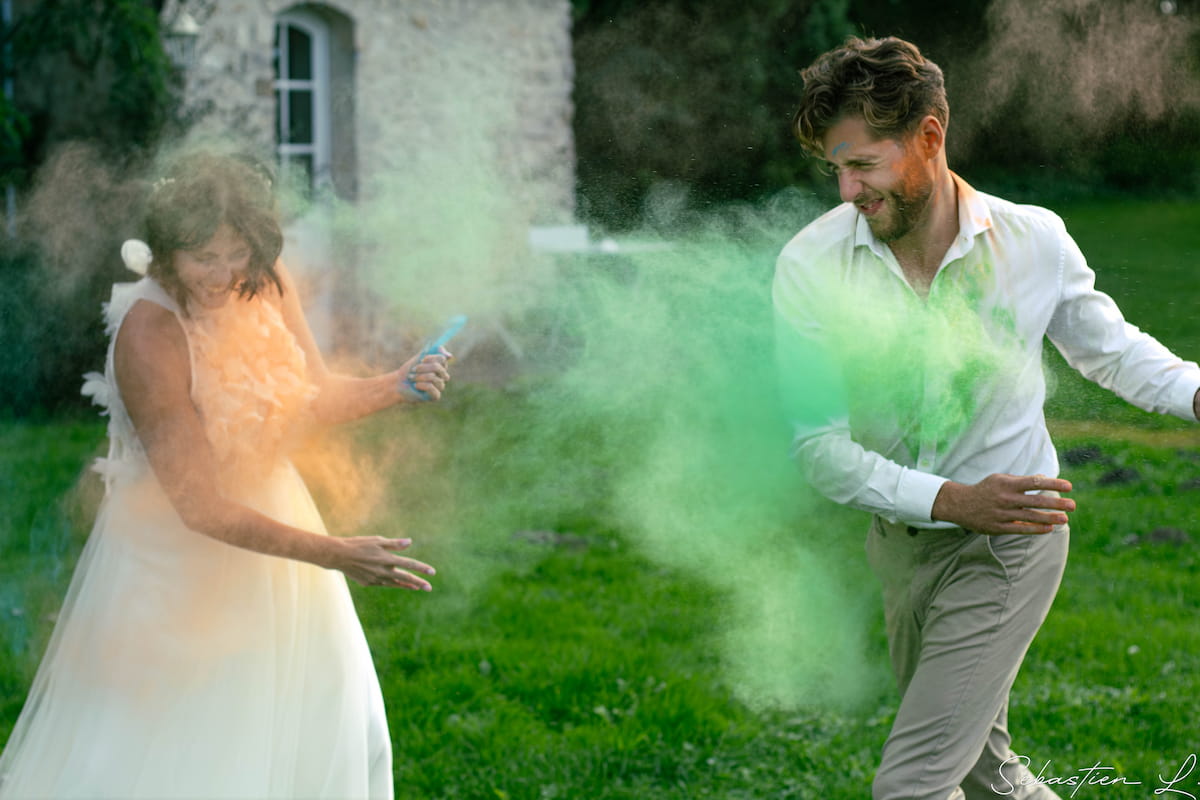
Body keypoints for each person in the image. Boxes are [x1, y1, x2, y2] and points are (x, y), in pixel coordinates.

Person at [772, 36, 1200, 800]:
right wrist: (949, 502)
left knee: (911, 784)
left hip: (1012, 539)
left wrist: (1195, 393)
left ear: (929, 137)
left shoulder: (1032, 240)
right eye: (833, 168)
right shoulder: (811, 266)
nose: (845, 190)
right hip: (901, 548)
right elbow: (819, 450)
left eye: (863, 164)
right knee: (985, 772)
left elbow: (1111, 352)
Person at [0, 151, 452, 799]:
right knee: (184, 753)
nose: (221, 274)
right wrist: (336, 554)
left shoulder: (263, 279)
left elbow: (310, 396)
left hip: (277, 525)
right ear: (164, 251)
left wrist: (394, 385)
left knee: (328, 719)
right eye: (201, 257)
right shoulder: (149, 334)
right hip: (172, 558)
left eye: (235, 251)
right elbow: (199, 507)